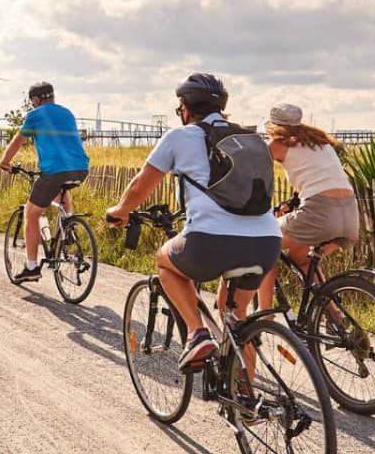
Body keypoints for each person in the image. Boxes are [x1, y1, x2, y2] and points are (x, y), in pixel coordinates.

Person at [106, 74, 281, 370]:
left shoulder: (179, 137)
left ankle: (196, 333)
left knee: (164, 261)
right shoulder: (254, 141)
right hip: (266, 244)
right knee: (237, 321)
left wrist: (121, 211)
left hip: (210, 242)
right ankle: (248, 405)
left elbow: (141, 185)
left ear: (185, 107)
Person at [256, 102, 359, 312]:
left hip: (320, 212)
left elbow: (255, 176)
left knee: (262, 243)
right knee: (301, 259)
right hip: (350, 215)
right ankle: (337, 320)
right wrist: (292, 204)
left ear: (272, 125)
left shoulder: (277, 145)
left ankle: (263, 313)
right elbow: (319, 177)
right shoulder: (320, 142)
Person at [0, 81, 90, 281]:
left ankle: (31, 267)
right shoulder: (67, 113)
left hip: (54, 171)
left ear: (36, 100)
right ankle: (68, 228)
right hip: (81, 168)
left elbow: (17, 141)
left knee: (31, 214)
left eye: (32, 102)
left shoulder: (35, 115)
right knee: (62, 193)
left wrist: (5, 162)